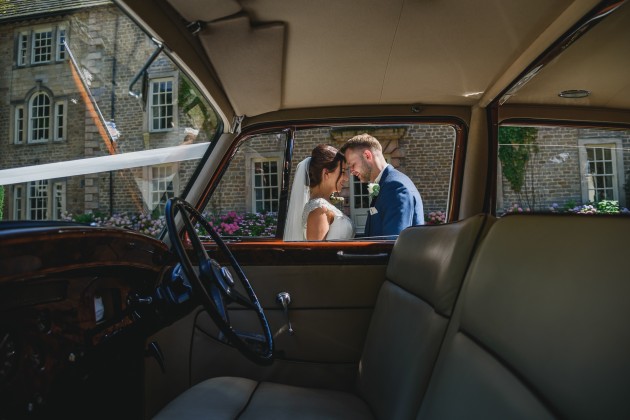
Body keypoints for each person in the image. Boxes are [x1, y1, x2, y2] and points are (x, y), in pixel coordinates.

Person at [340, 133, 424, 238]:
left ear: (367, 155)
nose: (351, 172)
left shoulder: (395, 187)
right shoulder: (386, 183)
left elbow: (392, 243)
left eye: (352, 165)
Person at [284, 144, 355, 241]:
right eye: (342, 172)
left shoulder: (323, 206)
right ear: (326, 173)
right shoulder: (319, 210)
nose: (346, 178)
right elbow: (318, 254)